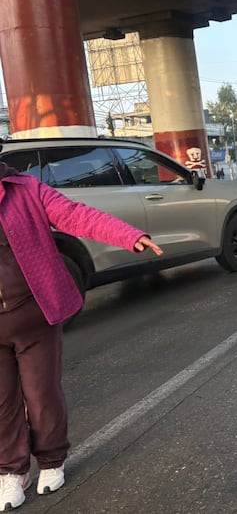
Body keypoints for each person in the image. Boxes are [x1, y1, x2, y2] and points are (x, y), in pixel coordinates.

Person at [0, 162, 162, 510]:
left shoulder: (26, 190)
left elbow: (75, 215)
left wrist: (129, 236)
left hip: (34, 315)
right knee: (1, 404)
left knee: (41, 394)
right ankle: (11, 471)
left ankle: (51, 459)